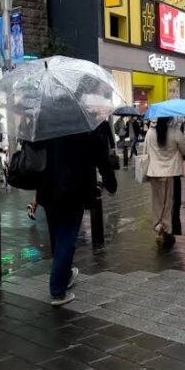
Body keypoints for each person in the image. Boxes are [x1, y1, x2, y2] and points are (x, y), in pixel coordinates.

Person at [35, 124, 117, 305]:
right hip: (74, 190)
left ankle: (65, 274)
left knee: (57, 235)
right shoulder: (84, 126)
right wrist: (111, 183)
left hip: (48, 190)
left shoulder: (45, 125)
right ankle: (58, 290)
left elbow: (34, 150)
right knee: (66, 236)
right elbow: (101, 157)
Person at [145, 118, 185, 247]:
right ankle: (167, 230)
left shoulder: (150, 133)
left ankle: (159, 227)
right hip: (171, 173)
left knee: (157, 203)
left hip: (154, 173)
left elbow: (146, 152)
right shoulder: (175, 132)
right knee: (170, 204)